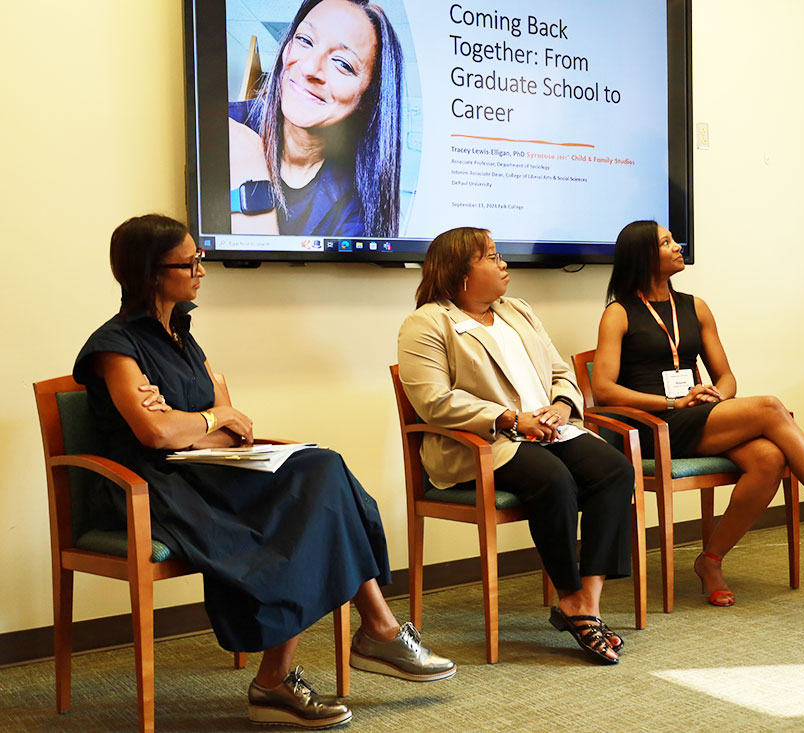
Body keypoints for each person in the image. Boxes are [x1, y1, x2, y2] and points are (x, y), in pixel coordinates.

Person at [74, 214, 453, 729]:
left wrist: (198, 422)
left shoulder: (181, 335)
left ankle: (313, 662)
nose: (200, 271)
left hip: (205, 470)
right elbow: (157, 436)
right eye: (190, 262)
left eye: (200, 259)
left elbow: (233, 427)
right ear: (151, 273)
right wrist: (206, 420)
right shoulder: (114, 347)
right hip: (152, 489)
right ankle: (357, 641)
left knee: (321, 469)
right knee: (314, 496)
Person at [592, 220, 804, 608]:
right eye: (667, 242)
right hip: (656, 424)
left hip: (698, 415)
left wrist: (714, 395)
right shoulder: (619, 313)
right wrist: (674, 403)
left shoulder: (694, 307)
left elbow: (726, 376)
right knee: (771, 407)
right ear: (643, 257)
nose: (677, 246)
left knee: (769, 458)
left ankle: (711, 561)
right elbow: (603, 389)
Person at [397, 227, 635, 665]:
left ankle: (588, 603)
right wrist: (509, 418)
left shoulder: (517, 311)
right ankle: (569, 595)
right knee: (553, 479)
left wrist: (563, 406)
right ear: (460, 273)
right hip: (486, 443)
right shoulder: (427, 322)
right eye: (491, 256)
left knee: (615, 469)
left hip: (547, 429)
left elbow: (560, 372)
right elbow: (433, 401)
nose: (503, 263)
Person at [228, 0, 403, 237]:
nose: (310, 68)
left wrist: (251, 166)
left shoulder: (359, 204)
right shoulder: (225, 126)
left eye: (342, 64)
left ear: (368, 99)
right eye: (305, 40)